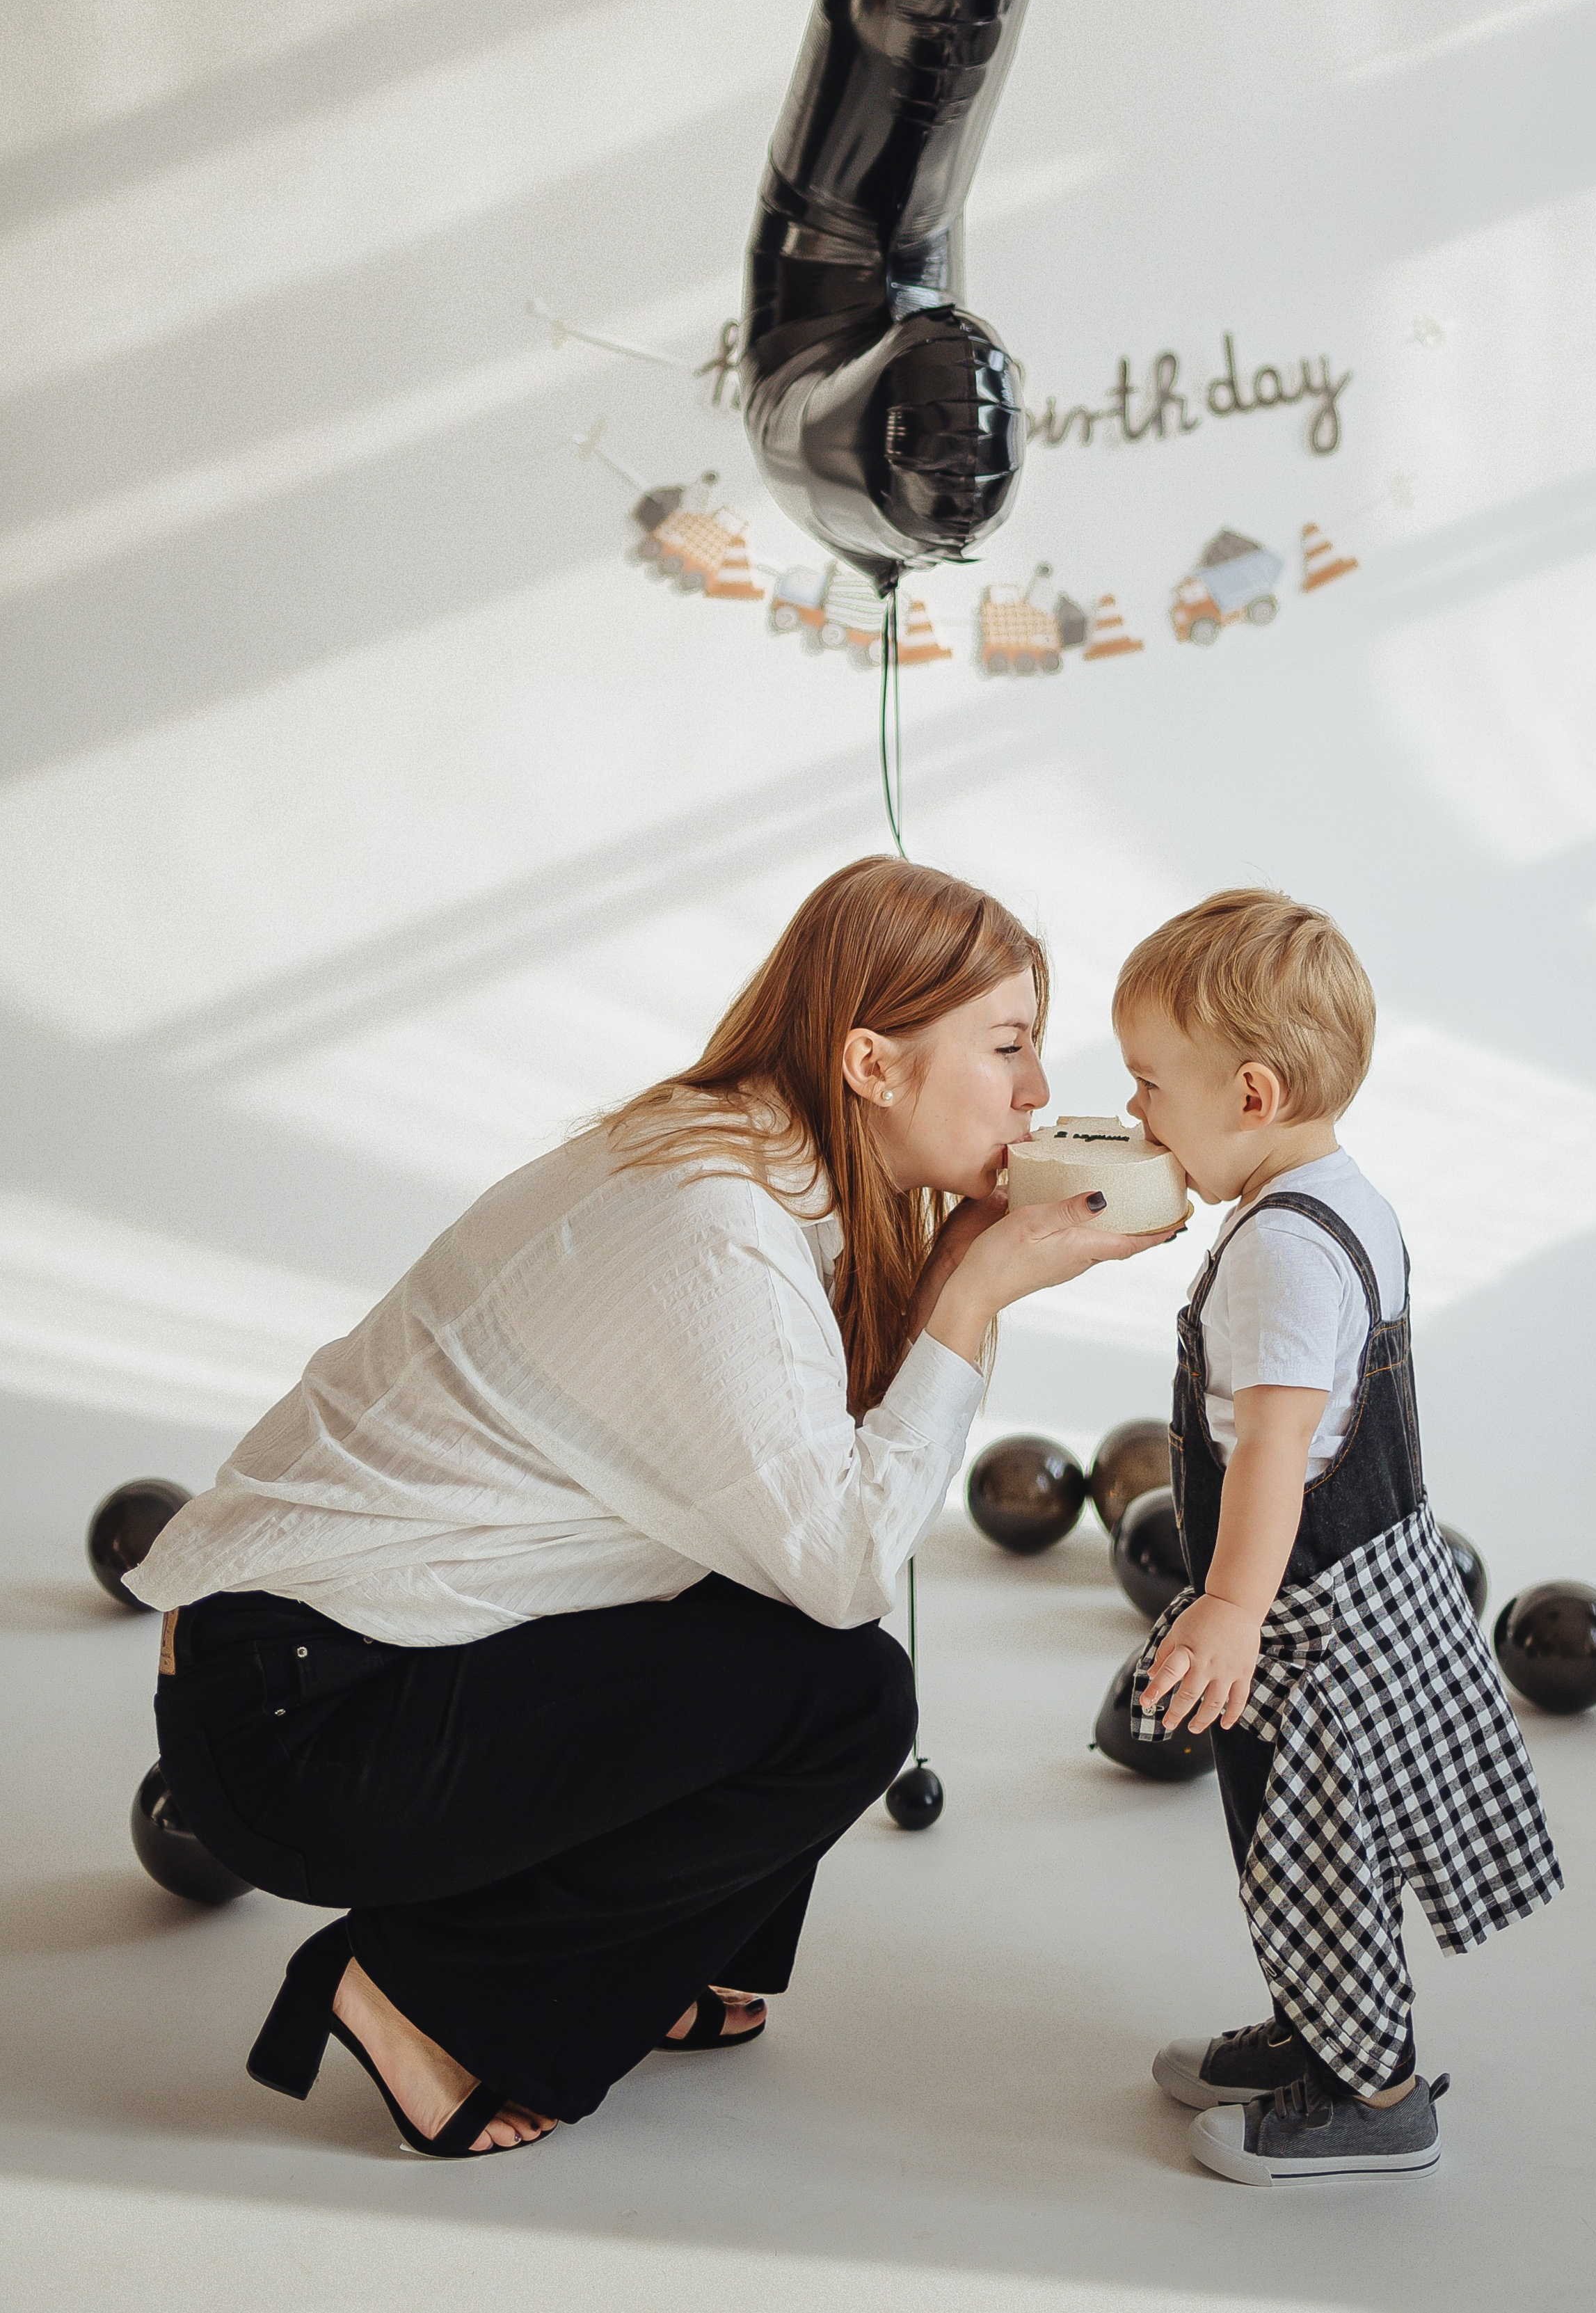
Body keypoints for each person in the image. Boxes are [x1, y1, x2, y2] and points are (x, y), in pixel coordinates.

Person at [126, 857, 1170, 2159]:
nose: (1037, 1094)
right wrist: (967, 1302)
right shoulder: (717, 1220)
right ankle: (424, 1997)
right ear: (870, 1064)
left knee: (779, 1634)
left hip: (325, 1675)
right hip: (297, 1728)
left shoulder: (752, 1160)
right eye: (1008, 1046)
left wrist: (948, 1269)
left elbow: (794, 1514)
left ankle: (642, 1959)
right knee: (847, 1689)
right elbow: (845, 1569)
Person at [1113, 889, 1561, 2186]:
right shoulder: (1334, 1195)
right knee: (1293, 1847)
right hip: (1373, 1579)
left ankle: (1374, 2093)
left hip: (1312, 1620)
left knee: (1313, 1849)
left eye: (1150, 1086)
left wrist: (1233, 1608)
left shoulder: (1284, 1253)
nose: (1135, 1111)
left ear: (1249, 1094)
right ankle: (1319, 2030)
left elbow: (1272, 1444)